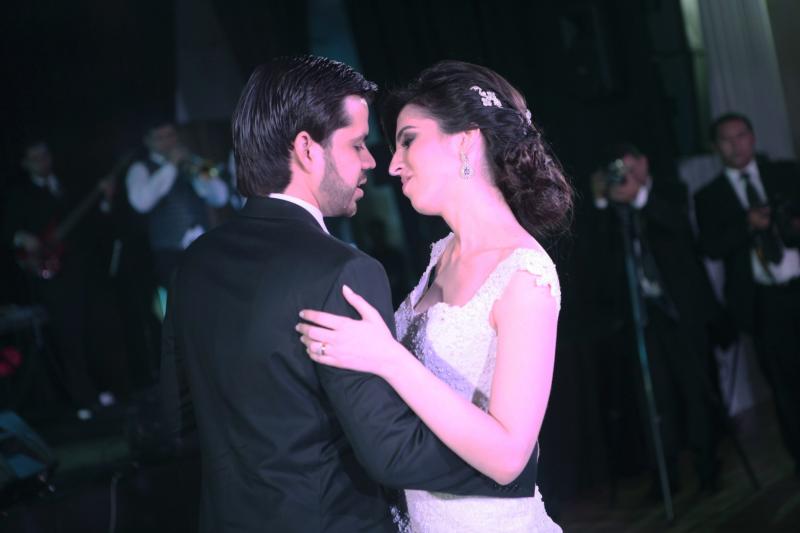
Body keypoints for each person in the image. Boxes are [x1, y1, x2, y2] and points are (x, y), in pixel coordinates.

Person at [160, 55, 539, 533]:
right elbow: (389, 452)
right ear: (307, 149)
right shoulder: (341, 271)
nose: (372, 161)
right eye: (357, 144)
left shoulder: (195, 263)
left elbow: (178, 422)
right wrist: (510, 468)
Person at [296, 60, 571, 532]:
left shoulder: (525, 274)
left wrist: (387, 357)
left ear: (465, 140)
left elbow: (509, 457)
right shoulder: (442, 253)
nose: (393, 164)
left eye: (408, 140)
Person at [586, 143, 723, 494]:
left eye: (630, 169)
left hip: (681, 312)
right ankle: (665, 476)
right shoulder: (614, 210)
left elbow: (679, 227)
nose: (625, 178)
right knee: (655, 399)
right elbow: (599, 257)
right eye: (619, 172)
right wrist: (601, 202)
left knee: (695, 392)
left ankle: (708, 469)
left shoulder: (670, 191)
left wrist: (640, 197)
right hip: (643, 317)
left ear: (644, 164)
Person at [694, 112, 800, 477]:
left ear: (752, 137)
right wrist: (746, 225)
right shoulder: (709, 196)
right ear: (716, 147)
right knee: (784, 386)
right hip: (763, 300)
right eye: (726, 139)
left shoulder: (785, 172)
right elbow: (710, 247)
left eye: (740, 136)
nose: (735, 145)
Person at [2, 141, 113, 416]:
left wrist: (106, 200)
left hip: (84, 268)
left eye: (44, 155)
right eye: (35, 157)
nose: (42, 161)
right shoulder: (19, 195)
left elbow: (96, 223)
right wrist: (21, 238)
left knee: (95, 329)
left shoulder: (68, 186)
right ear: (25, 163)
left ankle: (105, 389)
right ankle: (83, 399)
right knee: (68, 336)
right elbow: (8, 230)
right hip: (53, 276)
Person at [125, 120, 229, 288]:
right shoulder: (139, 168)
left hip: (205, 248)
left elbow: (221, 196)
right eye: (160, 137)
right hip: (170, 254)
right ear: (148, 141)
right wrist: (171, 165)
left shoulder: (194, 161)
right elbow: (141, 203)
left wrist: (196, 166)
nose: (168, 142)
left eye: (171, 135)